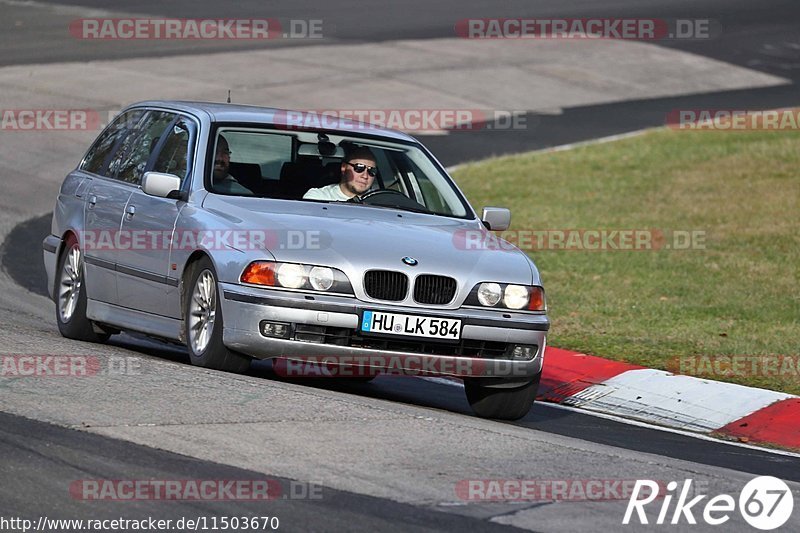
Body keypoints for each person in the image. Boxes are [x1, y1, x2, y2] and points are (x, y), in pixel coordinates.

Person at [303, 146, 377, 201]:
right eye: (359, 168)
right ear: (344, 168)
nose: (365, 176)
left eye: (371, 171)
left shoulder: (379, 200)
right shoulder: (319, 197)